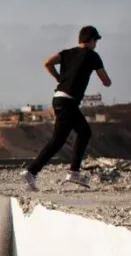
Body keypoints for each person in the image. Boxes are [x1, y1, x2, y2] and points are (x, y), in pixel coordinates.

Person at [21, 25, 112, 190]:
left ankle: (40, 172)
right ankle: (38, 172)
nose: (96, 44)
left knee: (73, 135)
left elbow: (47, 63)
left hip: (59, 98)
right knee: (67, 138)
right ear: (91, 40)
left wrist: (59, 78)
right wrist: (106, 80)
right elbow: (106, 82)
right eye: (96, 41)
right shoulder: (93, 56)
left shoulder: (67, 53)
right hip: (68, 102)